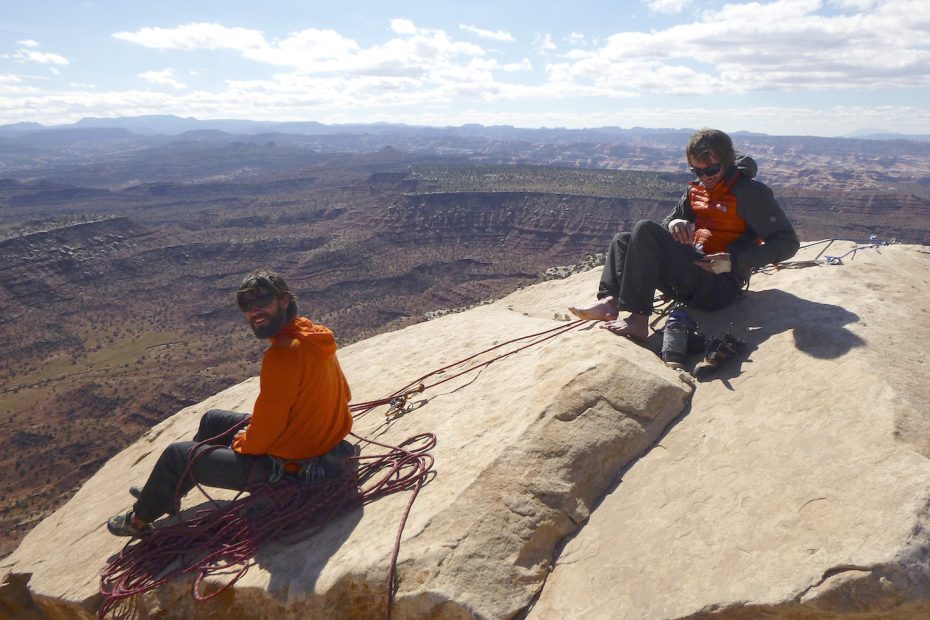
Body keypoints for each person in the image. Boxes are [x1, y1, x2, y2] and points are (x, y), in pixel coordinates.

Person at [108, 269, 354, 536]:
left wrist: (242, 442)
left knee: (177, 455)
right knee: (212, 419)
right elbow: (345, 393)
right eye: (246, 305)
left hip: (291, 470)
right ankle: (166, 492)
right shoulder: (315, 336)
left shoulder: (283, 355)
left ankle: (138, 521)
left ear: (284, 300)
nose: (254, 311)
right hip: (322, 447)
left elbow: (263, 435)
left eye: (262, 301)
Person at [569, 128, 799, 340]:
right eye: (697, 170)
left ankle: (638, 320)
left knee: (644, 228)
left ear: (727, 162)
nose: (705, 176)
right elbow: (666, 224)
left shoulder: (750, 193)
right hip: (692, 272)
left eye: (710, 170)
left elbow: (787, 242)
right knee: (624, 240)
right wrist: (674, 223)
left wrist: (734, 262)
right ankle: (610, 302)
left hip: (719, 286)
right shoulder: (695, 190)